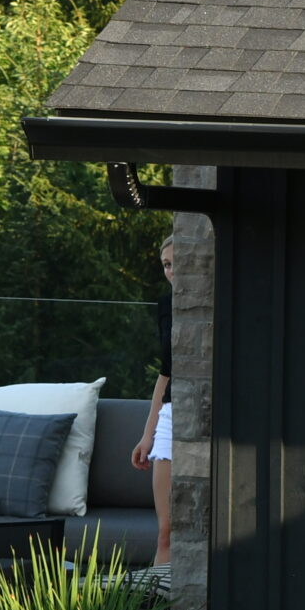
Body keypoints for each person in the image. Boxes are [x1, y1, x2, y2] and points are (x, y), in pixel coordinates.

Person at [131, 236, 176, 566]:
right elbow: (165, 373)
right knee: (166, 531)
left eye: (177, 263)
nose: (172, 271)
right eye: (166, 265)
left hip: (211, 413)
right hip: (172, 414)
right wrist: (148, 435)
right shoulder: (166, 305)